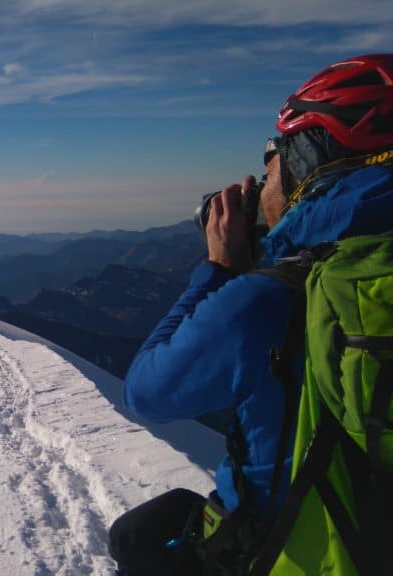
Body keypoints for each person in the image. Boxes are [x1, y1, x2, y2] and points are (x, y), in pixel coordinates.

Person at [109, 54, 393, 575]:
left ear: (312, 159)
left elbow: (143, 392)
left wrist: (219, 269)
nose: (263, 186)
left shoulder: (266, 302)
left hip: (300, 555)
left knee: (135, 539)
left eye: (274, 158)